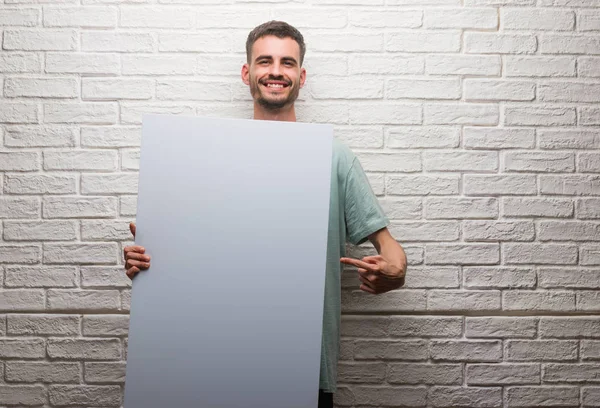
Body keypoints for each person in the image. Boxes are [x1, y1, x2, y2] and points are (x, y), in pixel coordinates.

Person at [123, 20, 408, 408]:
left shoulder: (335, 157)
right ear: (247, 73)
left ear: (301, 76)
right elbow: (198, 255)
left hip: (303, 371)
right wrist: (151, 259)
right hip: (212, 365)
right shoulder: (208, 159)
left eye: (287, 63)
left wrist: (393, 273)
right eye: (265, 61)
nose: (276, 71)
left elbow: (392, 254)